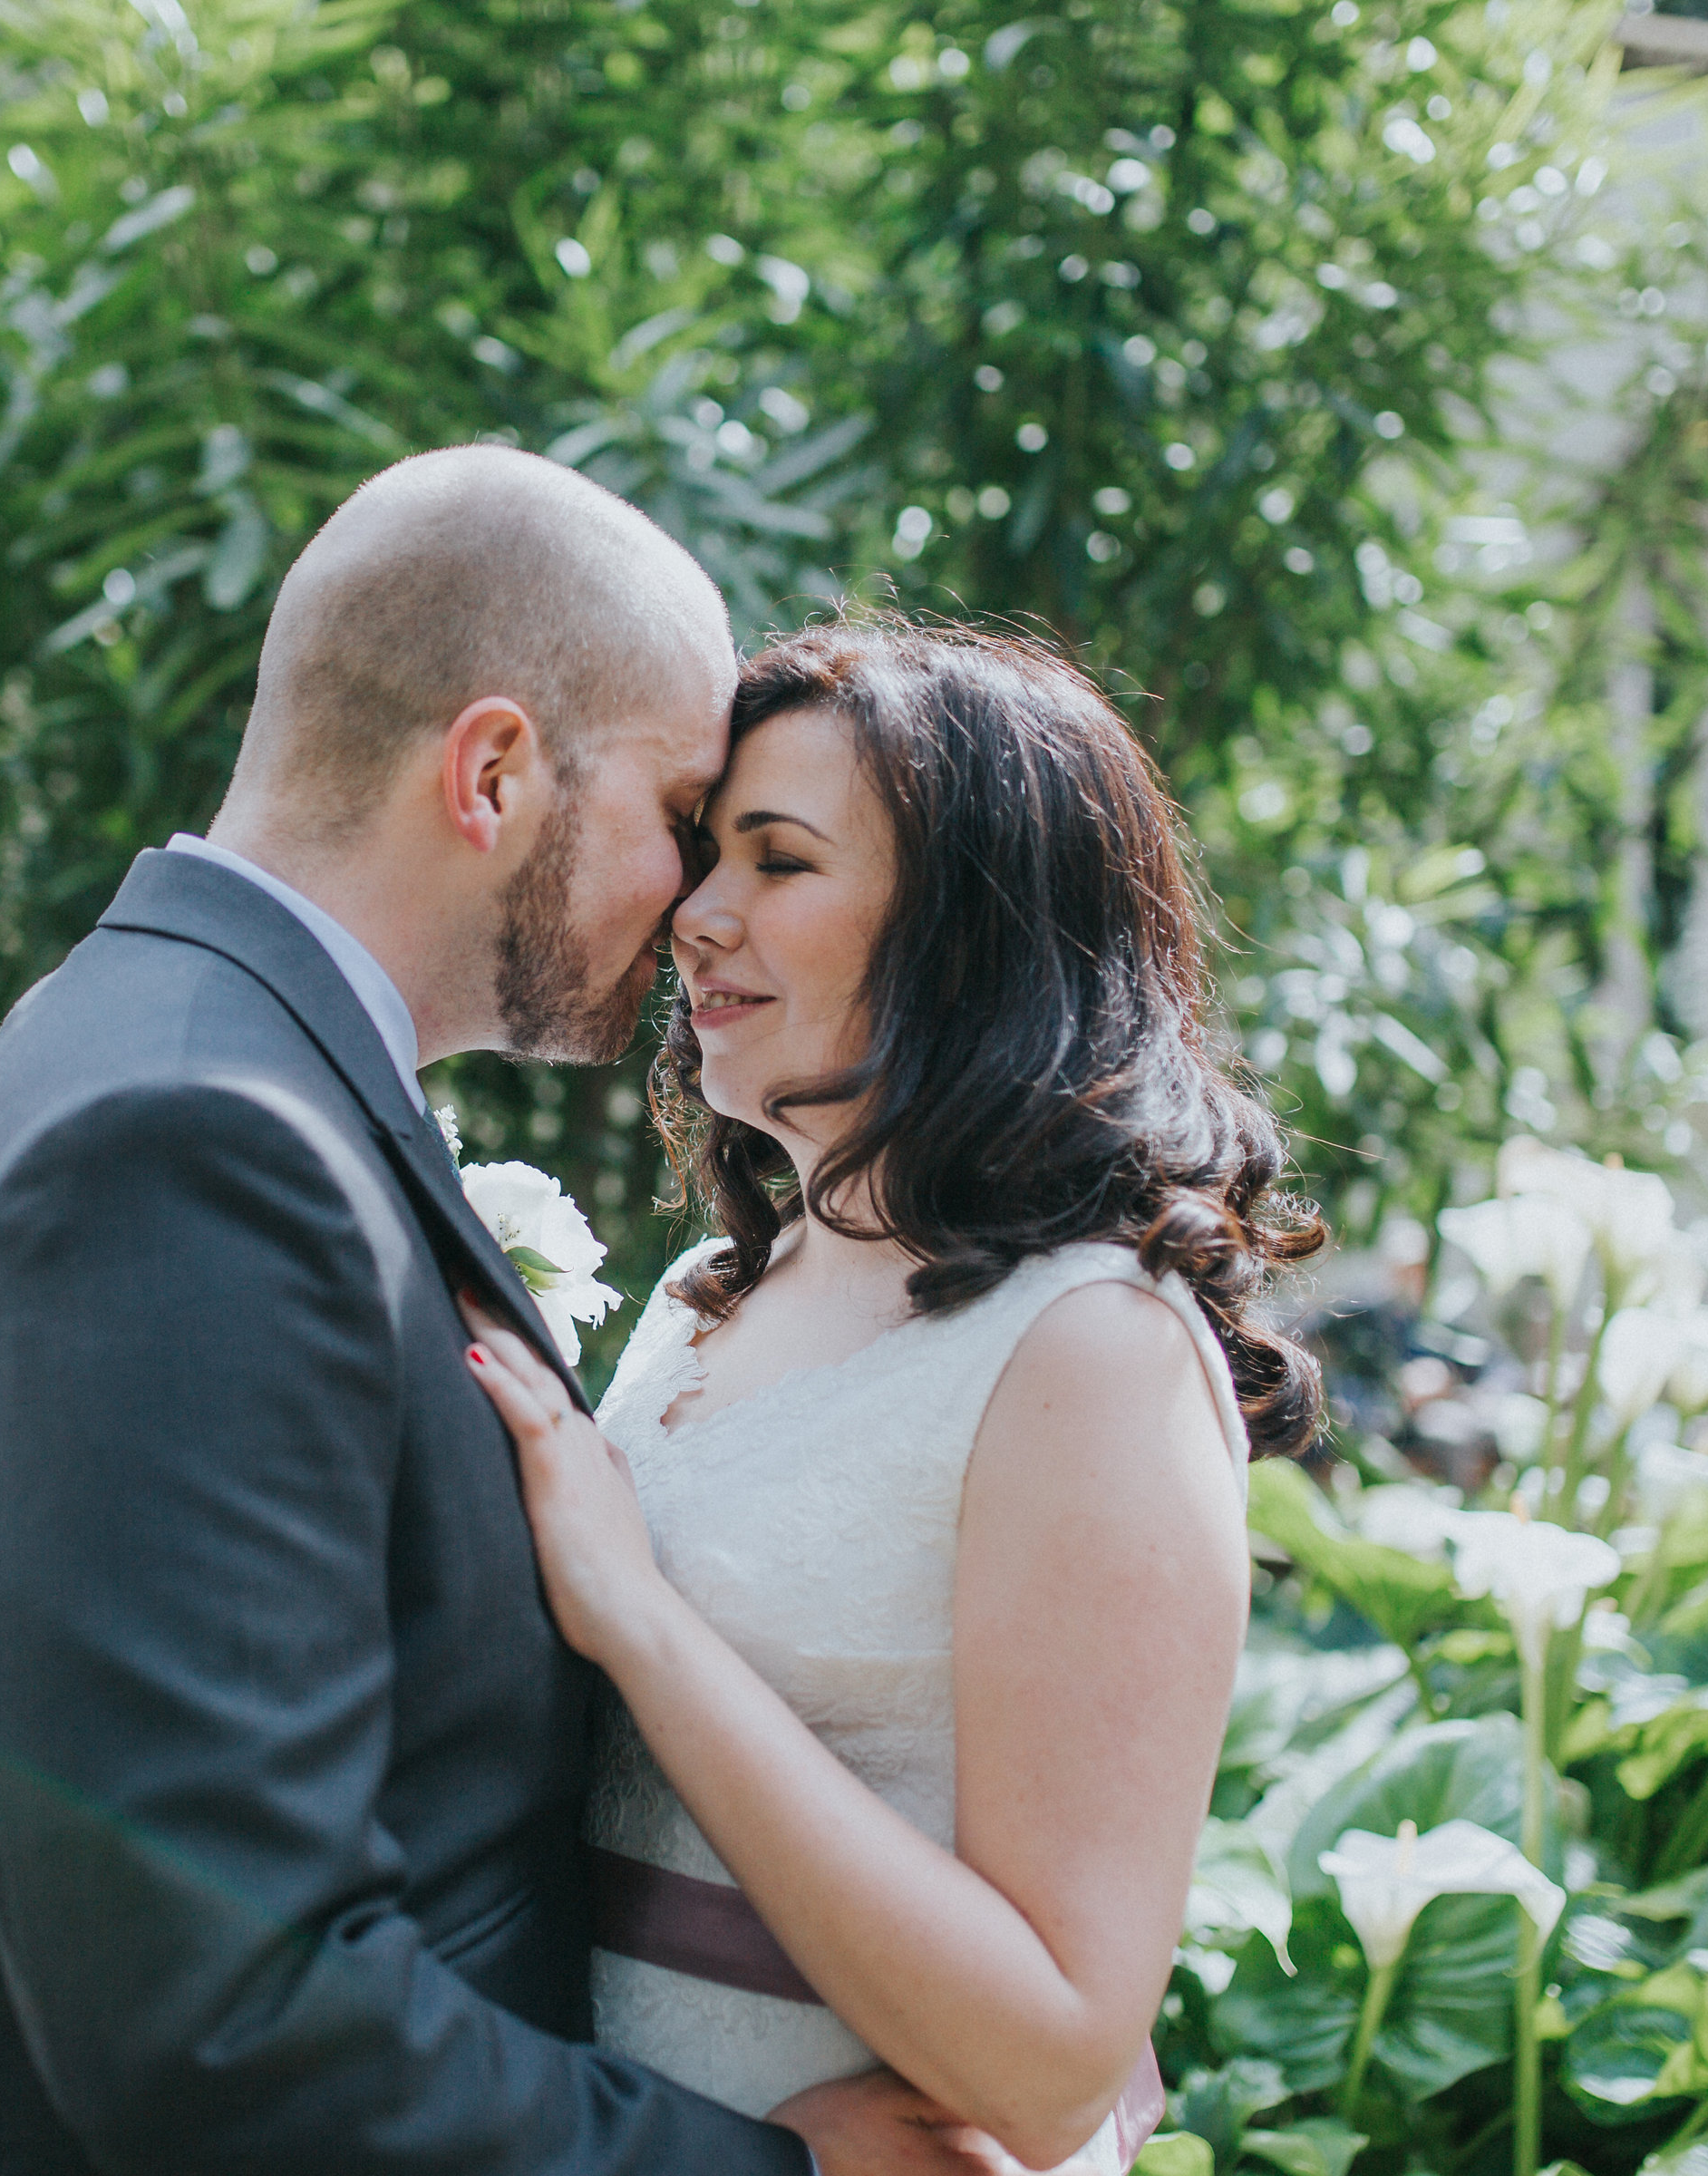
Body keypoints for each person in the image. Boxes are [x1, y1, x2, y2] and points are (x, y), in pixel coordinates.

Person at [0, 450, 987, 2173]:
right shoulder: (194, 1143)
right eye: (675, 822)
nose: (692, 905)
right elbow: (220, 2024)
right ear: (495, 770)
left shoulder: (175, 1049)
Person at [461, 619, 1326, 2174]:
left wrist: (638, 1622)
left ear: (966, 931)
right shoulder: (704, 1299)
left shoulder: (1089, 1351)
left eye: (778, 862)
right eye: (702, 854)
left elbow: (1054, 2059)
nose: (697, 917)